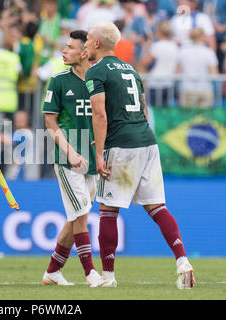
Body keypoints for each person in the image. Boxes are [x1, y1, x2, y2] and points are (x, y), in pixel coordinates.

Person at [84, 20, 195, 289]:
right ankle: (183, 261)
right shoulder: (131, 69)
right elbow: (144, 108)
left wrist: (99, 154)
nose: (85, 44)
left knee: (108, 210)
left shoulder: (95, 71)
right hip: (147, 140)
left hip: (121, 144)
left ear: (97, 43)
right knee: (157, 206)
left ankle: (108, 277)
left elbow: (100, 114)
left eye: (87, 39)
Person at [41, 30, 103, 287]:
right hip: (69, 159)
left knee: (78, 215)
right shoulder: (58, 81)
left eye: (69, 47)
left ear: (85, 53)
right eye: (64, 47)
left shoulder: (99, 81)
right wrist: (69, 150)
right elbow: (49, 122)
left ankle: (52, 272)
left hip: (93, 159)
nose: (63, 51)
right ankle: (91, 273)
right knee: (80, 215)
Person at [177, 27, 219, 108]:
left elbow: (177, 72)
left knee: (187, 117)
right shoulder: (209, 52)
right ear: (202, 37)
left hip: (187, 88)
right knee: (204, 118)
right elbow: (214, 74)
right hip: (205, 88)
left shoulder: (183, 51)